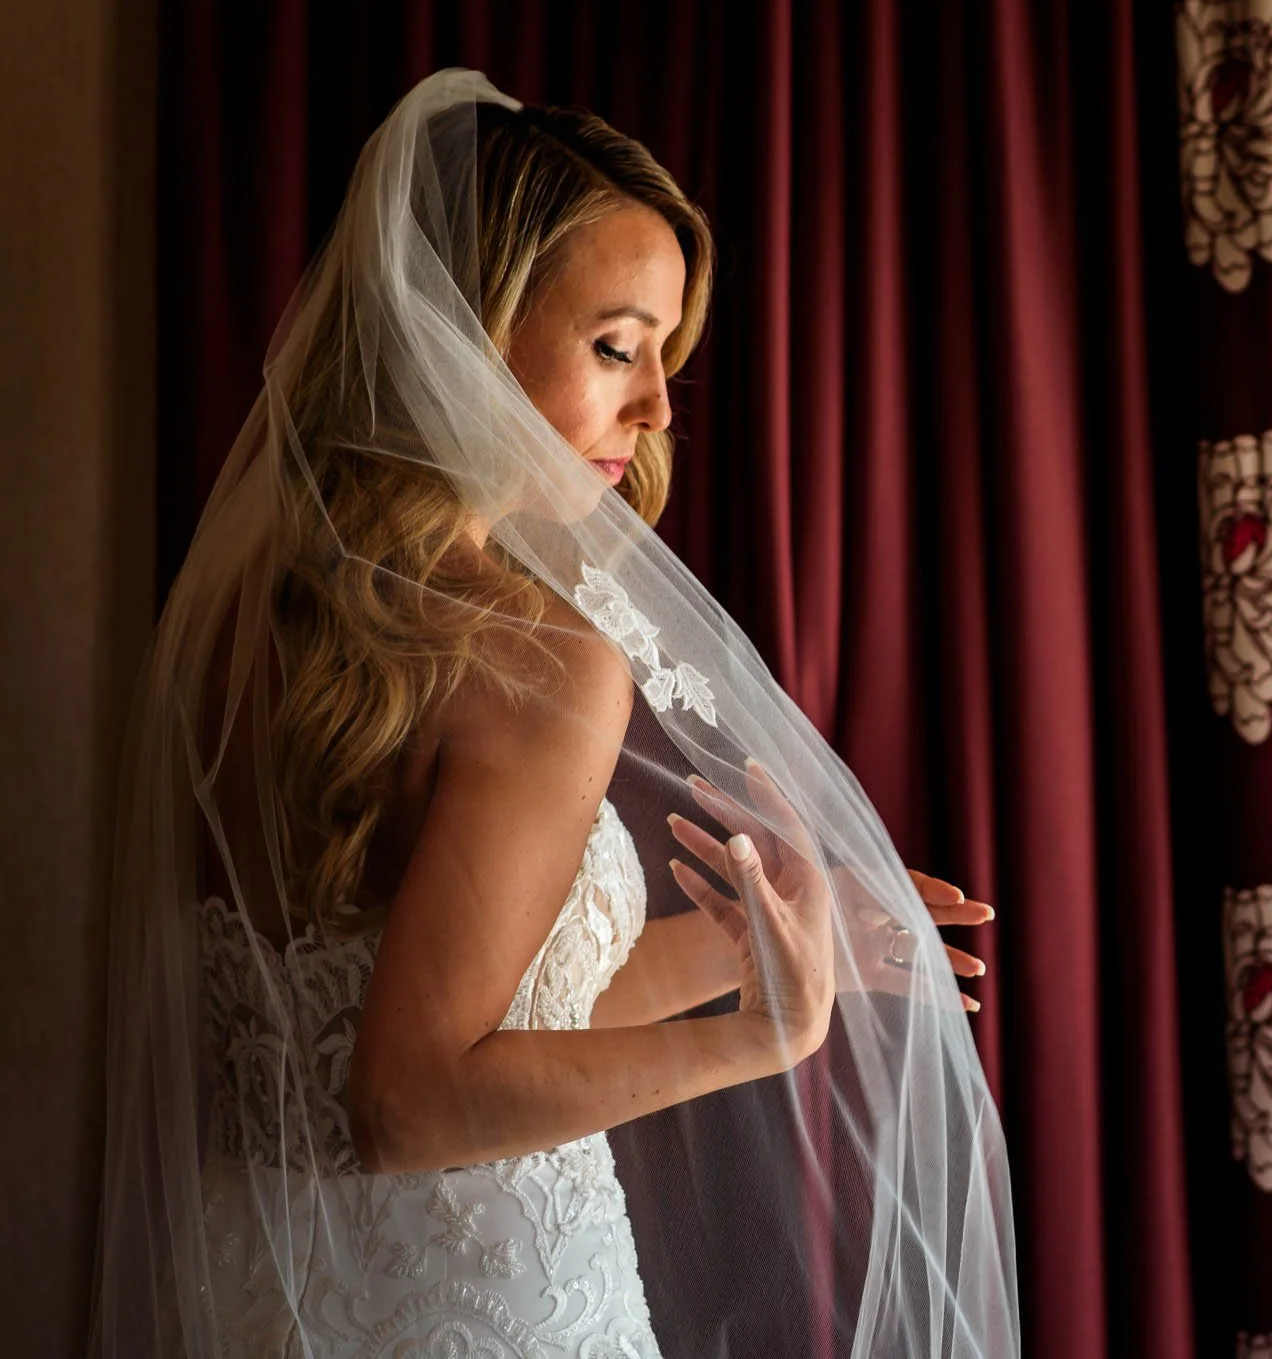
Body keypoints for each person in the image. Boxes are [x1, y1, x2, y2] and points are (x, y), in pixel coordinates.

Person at [87, 68, 1019, 1358]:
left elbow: (466, 1013)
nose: (656, 407)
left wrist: (747, 948)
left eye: (663, 356)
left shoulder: (248, 622)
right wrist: (768, 1036)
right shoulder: (539, 660)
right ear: (466, 326)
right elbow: (407, 1100)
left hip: (268, 1305)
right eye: (615, 345)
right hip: (493, 1310)